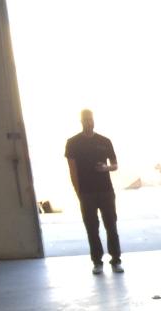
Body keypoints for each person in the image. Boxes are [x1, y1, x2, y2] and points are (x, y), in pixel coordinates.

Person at [65, 109, 122, 274]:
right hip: (86, 193)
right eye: (85, 120)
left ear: (94, 120)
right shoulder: (73, 143)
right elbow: (72, 170)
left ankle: (116, 260)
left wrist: (106, 168)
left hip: (106, 191)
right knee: (91, 227)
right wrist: (78, 192)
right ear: (81, 121)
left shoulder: (104, 141)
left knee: (111, 225)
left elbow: (115, 165)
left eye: (90, 119)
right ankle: (97, 262)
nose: (88, 122)